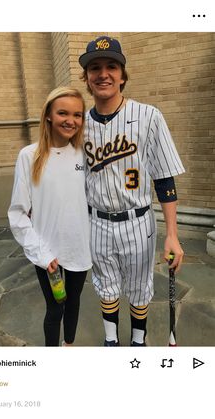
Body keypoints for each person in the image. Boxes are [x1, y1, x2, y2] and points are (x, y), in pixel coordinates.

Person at [79, 35, 185, 346]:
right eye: (95, 68)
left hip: (138, 222)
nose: (103, 74)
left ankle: (139, 339)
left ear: (123, 75)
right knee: (105, 285)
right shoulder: (79, 125)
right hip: (96, 222)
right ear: (86, 78)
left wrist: (173, 234)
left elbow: (164, 179)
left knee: (140, 286)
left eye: (112, 66)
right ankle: (111, 339)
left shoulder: (149, 116)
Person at [8, 86, 92, 346]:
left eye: (77, 115)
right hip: (47, 253)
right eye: (63, 113)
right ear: (48, 116)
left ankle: (69, 345)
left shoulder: (85, 154)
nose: (71, 120)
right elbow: (18, 213)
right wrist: (41, 254)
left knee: (74, 302)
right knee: (55, 308)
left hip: (79, 247)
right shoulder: (29, 156)